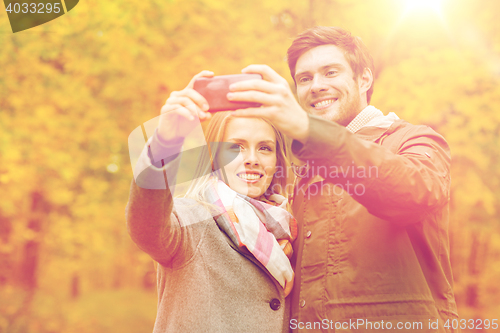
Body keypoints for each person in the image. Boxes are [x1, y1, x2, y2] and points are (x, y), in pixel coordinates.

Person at [228, 26, 459, 332]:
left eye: (331, 72)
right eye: (305, 78)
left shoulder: (416, 141)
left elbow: (411, 193)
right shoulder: (306, 171)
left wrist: (307, 129)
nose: (316, 86)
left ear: (364, 79)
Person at [126, 71, 297, 333]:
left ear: (277, 162)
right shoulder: (192, 220)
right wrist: (166, 141)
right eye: (236, 147)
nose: (252, 158)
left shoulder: (290, 230)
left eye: (264, 148)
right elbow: (145, 225)